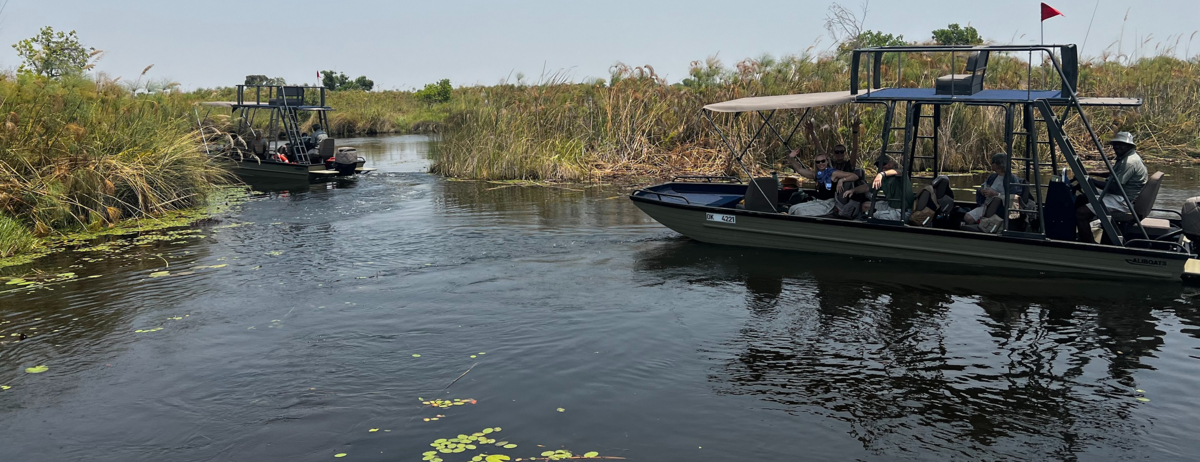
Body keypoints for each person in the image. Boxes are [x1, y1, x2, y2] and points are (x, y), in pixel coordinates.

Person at [1074, 131, 1147, 243]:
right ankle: (1082, 231)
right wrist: (1092, 173)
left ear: (1129, 146)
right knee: (1082, 198)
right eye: (1116, 144)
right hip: (1123, 196)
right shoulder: (1127, 157)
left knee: (1081, 213)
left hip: (1124, 200)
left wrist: (1090, 181)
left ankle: (1088, 244)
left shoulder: (1129, 162)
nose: (1117, 147)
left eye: (1121, 144)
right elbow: (1114, 174)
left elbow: (1114, 187)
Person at [964, 153, 1023, 225]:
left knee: (968, 218)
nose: (991, 164)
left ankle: (982, 223)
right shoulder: (993, 176)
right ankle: (981, 223)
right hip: (987, 205)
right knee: (967, 218)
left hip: (1000, 209)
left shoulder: (1012, 179)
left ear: (999, 163)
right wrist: (982, 191)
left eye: (992, 162)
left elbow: (1015, 197)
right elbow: (983, 186)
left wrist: (996, 194)